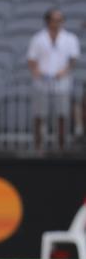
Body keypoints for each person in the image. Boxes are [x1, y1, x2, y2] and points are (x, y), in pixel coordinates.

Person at [27, 9, 80, 152]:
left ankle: (61, 146)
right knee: (39, 115)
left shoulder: (70, 38)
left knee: (62, 115)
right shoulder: (38, 38)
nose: (58, 23)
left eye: (60, 20)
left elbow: (73, 59)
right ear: (48, 21)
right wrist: (36, 71)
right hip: (41, 82)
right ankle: (39, 146)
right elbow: (32, 59)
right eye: (55, 20)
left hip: (61, 82)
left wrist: (64, 71)